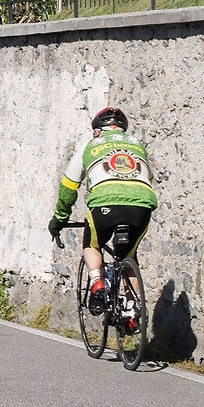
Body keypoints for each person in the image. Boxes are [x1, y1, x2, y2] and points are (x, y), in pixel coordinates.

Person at [48, 107, 158, 311]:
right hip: (141, 205)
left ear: (97, 130)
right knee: (129, 257)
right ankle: (132, 309)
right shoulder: (137, 145)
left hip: (105, 203)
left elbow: (68, 186)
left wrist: (60, 218)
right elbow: (148, 178)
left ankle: (97, 280)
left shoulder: (90, 145)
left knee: (92, 245)